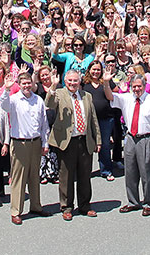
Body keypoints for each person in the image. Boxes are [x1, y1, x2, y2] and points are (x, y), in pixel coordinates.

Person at [103, 72, 150, 215]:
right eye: (134, 86)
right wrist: (106, 83)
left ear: (144, 86)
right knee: (130, 171)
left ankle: (148, 202)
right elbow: (110, 96)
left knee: (146, 172)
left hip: (147, 138)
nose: (137, 89)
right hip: (131, 138)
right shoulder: (127, 98)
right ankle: (133, 201)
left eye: (139, 86)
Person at [45, 69, 101, 220]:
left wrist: (98, 140)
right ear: (65, 80)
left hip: (84, 140)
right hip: (67, 141)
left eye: (75, 80)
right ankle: (67, 207)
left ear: (80, 80)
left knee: (85, 176)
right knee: (66, 177)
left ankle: (85, 205)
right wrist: (53, 86)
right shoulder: (59, 93)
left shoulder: (87, 96)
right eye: (69, 80)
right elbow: (49, 104)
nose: (72, 83)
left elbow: (93, 120)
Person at [0, 72, 50, 225]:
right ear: (19, 85)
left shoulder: (38, 100)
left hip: (35, 142)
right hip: (19, 143)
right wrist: (7, 89)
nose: (27, 86)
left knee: (35, 176)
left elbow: (44, 123)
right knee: (19, 179)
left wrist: (45, 143)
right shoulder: (14, 99)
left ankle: (36, 206)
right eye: (24, 83)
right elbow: (4, 105)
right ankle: (16, 211)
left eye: (29, 83)